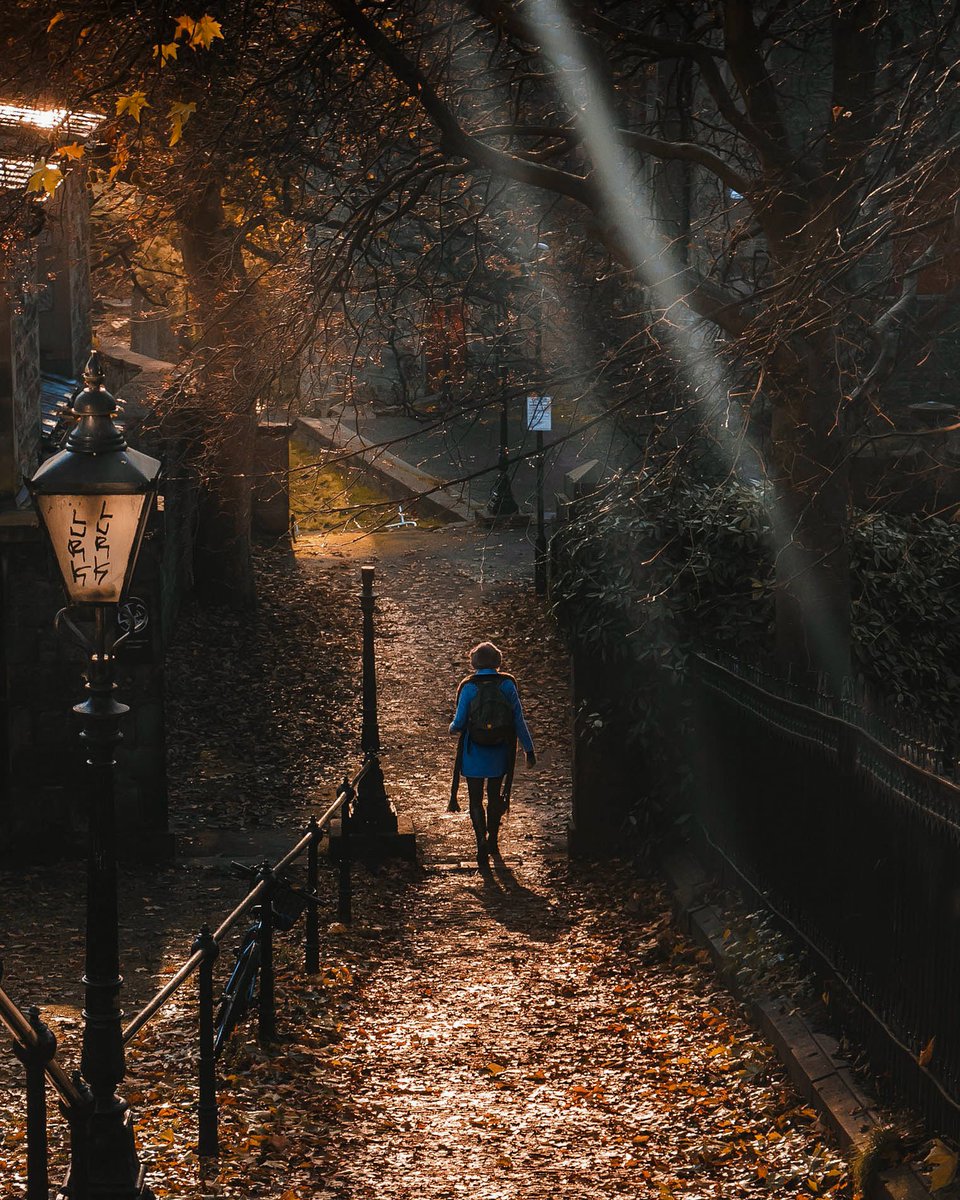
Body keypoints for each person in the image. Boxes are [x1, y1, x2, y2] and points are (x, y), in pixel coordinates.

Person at [449, 641, 535, 867]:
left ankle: (480, 841)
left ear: (475, 662)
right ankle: (494, 841)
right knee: (495, 795)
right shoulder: (507, 685)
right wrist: (529, 749)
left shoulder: (468, 687)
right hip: (500, 751)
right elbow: (518, 720)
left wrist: (453, 727)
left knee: (475, 799)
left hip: (474, 751)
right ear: (497, 660)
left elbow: (458, 724)